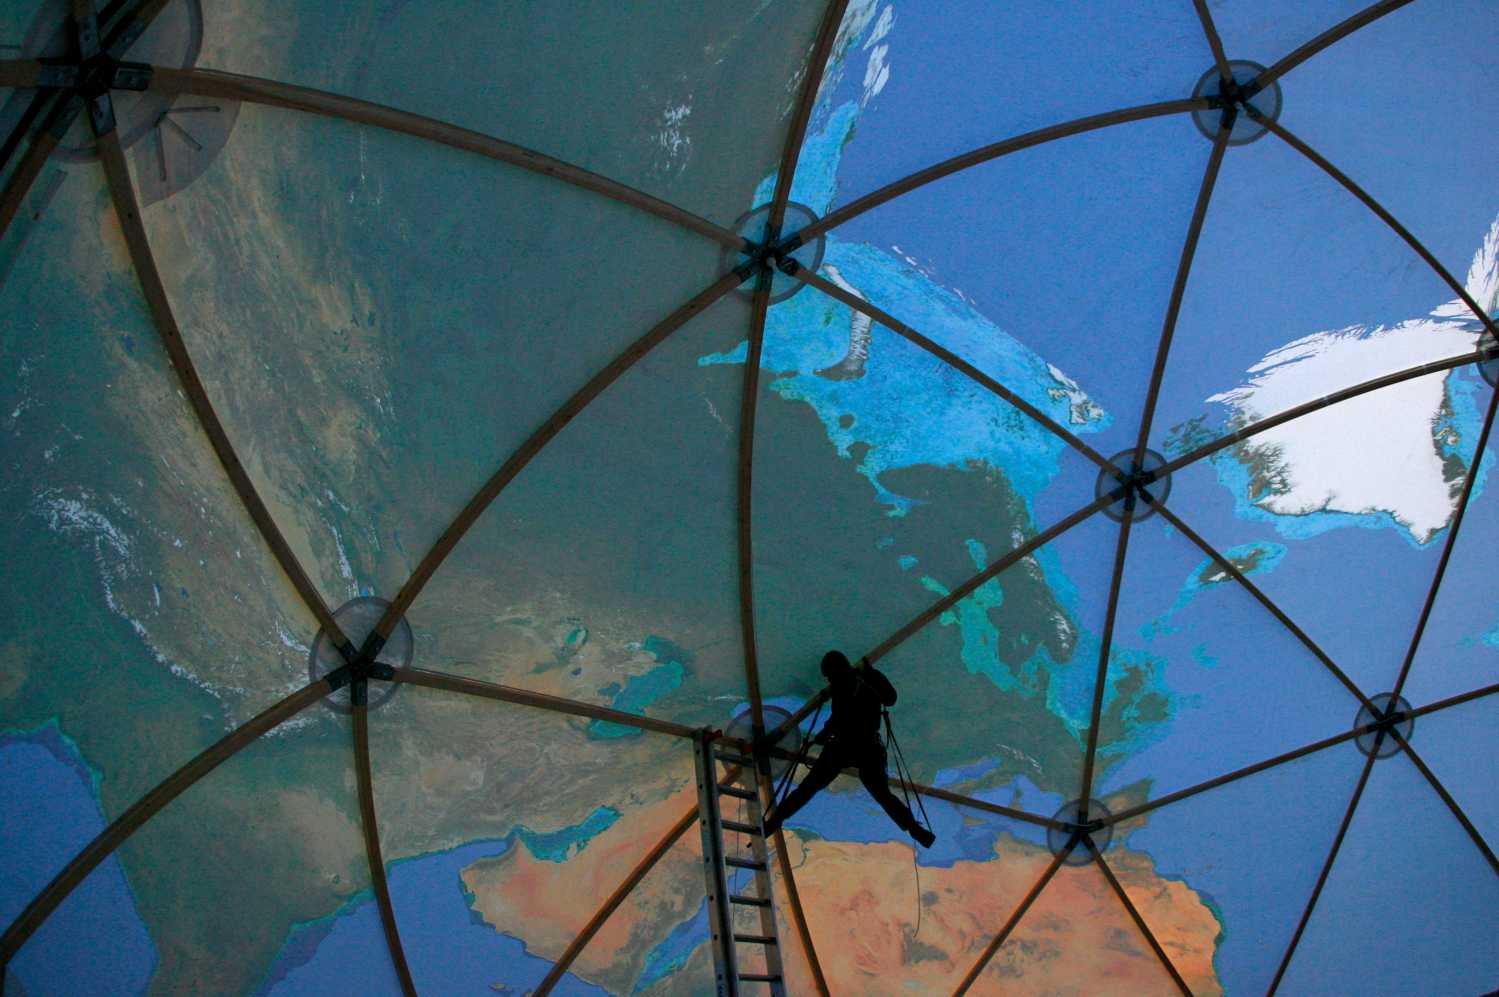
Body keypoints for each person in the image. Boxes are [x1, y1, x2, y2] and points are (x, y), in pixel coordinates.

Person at [763, 651, 936, 848]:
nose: (828, 679)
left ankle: (775, 821)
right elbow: (887, 700)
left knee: (809, 787)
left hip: (845, 745)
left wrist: (822, 735)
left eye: (829, 675)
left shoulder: (844, 685)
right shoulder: (861, 681)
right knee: (881, 793)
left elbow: (841, 716)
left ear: (835, 670)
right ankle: (913, 827)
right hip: (867, 746)